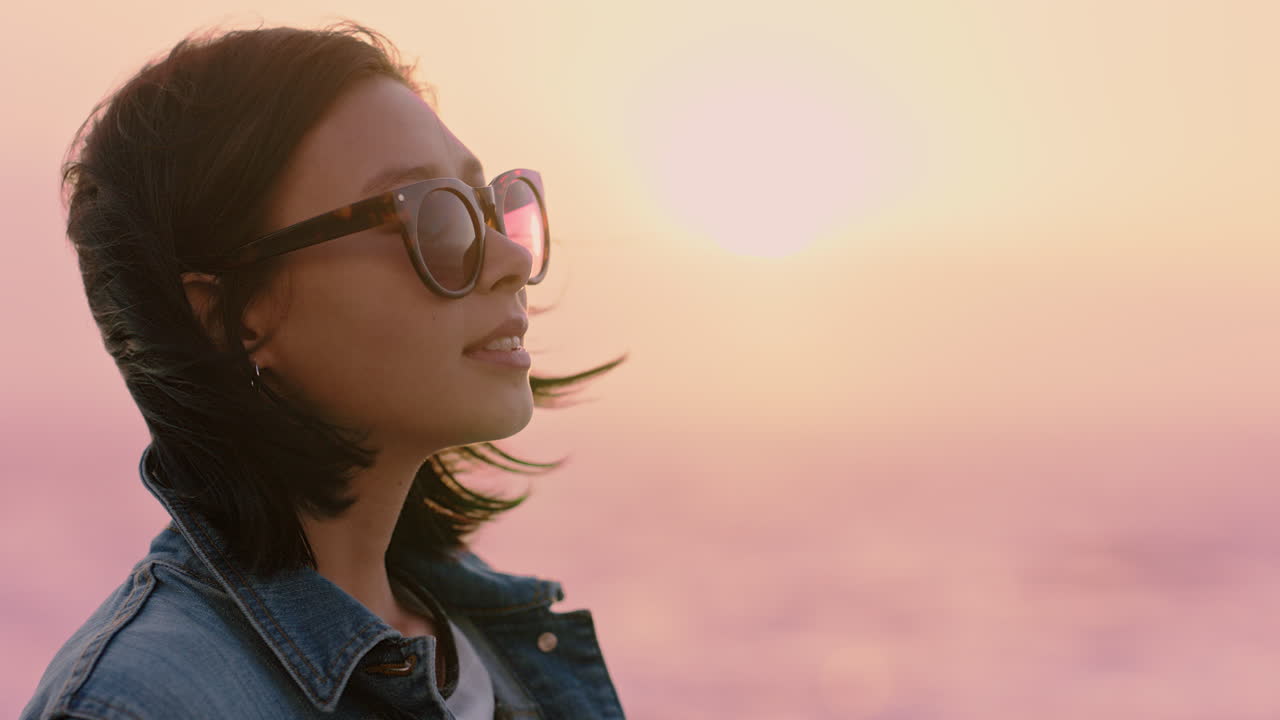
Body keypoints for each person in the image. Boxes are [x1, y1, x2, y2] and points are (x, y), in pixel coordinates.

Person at [21, 19, 628, 720]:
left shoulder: (493, 636)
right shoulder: (145, 704)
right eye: (434, 220)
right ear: (232, 315)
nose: (510, 262)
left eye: (490, 207)